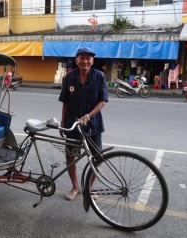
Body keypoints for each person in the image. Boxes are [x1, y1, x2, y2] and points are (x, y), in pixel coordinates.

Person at [58, 47, 109, 201]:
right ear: (76, 61)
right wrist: (62, 122)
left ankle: (90, 187)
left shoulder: (99, 76)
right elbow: (65, 101)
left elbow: (102, 101)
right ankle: (75, 187)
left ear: (92, 61)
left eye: (88, 58)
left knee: (97, 157)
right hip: (73, 124)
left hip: (93, 124)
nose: (85, 61)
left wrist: (88, 115)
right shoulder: (69, 78)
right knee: (70, 156)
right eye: (82, 58)